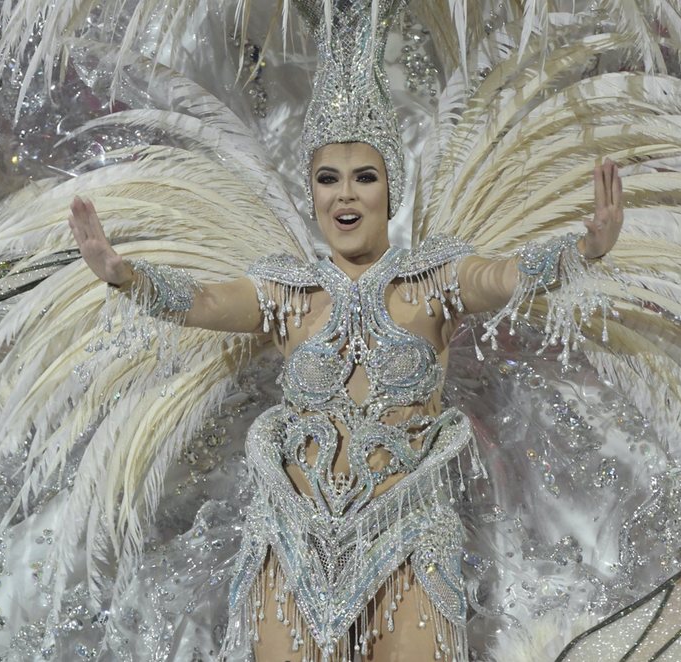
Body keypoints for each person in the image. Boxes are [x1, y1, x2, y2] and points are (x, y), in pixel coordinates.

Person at [66, 137, 623, 660]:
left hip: (408, 537)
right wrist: (127, 278)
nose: (346, 193)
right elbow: (204, 300)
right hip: (293, 541)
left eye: (365, 177)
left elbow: (503, 276)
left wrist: (583, 249)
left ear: (390, 190)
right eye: (329, 179)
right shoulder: (285, 293)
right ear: (314, 196)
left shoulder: (435, 282)